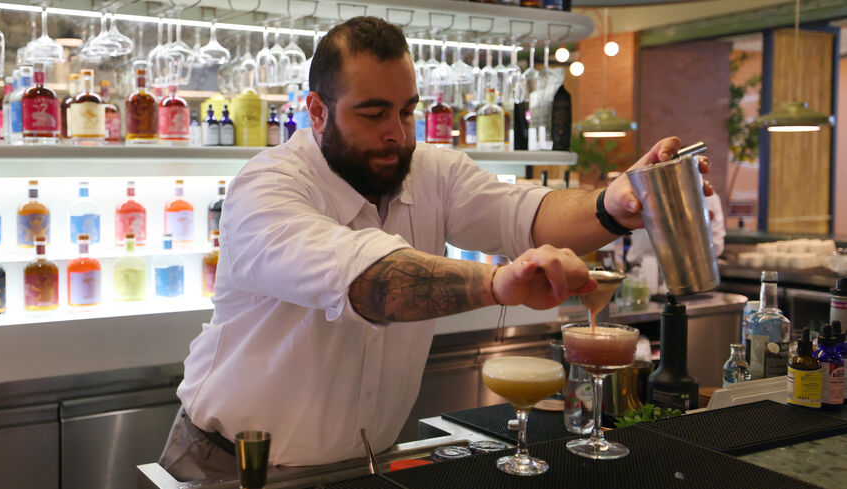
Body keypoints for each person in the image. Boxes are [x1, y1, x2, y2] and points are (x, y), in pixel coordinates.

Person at [158, 16, 712, 480]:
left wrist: (612, 204)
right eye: (373, 114)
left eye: (406, 111)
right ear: (317, 111)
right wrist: (498, 283)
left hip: (357, 467)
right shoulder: (269, 186)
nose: (397, 133)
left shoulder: (431, 171)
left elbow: (527, 213)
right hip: (229, 465)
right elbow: (370, 280)